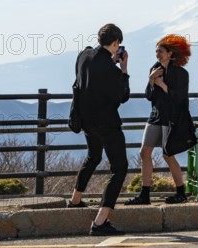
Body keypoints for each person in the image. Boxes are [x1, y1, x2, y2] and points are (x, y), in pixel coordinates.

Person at [68, 23, 130, 236]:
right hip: (107, 123)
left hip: (85, 120)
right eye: (117, 44)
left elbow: (89, 77)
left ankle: (75, 200)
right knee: (120, 168)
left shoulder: (83, 55)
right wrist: (123, 70)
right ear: (115, 43)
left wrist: (110, 63)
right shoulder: (110, 69)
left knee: (93, 156)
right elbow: (122, 95)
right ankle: (100, 221)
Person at [125, 35, 193, 206]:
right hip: (155, 116)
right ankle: (144, 194)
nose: (157, 54)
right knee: (144, 152)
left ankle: (180, 193)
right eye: (156, 51)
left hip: (171, 119)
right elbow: (149, 96)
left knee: (168, 154)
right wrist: (151, 80)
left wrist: (162, 85)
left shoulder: (181, 73)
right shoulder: (154, 68)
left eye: (161, 51)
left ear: (170, 53)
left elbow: (179, 98)